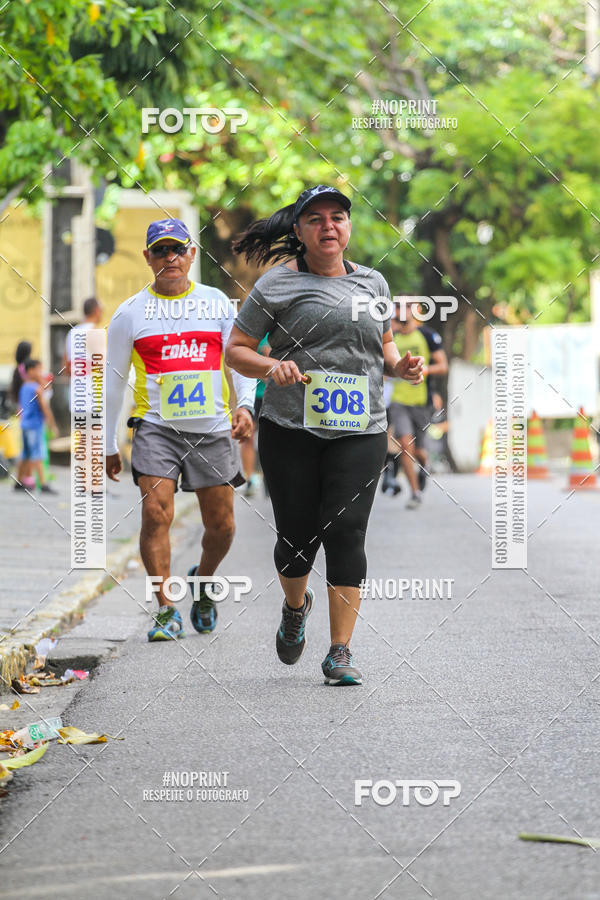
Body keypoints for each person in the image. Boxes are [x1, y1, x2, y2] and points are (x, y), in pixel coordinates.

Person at [226, 185, 424, 686]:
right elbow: (236, 350)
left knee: (346, 531)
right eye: (316, 219)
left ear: (349, 227)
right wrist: (273, 368)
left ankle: (340, 651)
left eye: (337, 217)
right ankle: (296, 607)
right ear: (299, 231)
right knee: (296, 540)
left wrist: (403, 366)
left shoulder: (374, 284)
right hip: (291, 429)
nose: (328, 226)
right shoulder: (275, 286)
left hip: (361, 429)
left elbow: (384, 348)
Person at [105, 218, 256, 642]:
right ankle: (166, 609)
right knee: (156, 514)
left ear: (192, 255)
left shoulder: (217, 304)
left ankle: (203, 583)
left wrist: (244, 404)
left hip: (211, 429)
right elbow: (114, 381)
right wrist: (107, 442)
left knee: (222, 527)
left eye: (178, 249)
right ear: (148, 258)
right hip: (155, 428)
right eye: (160, 250)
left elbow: (239, 358)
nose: (170, 257)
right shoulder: (129, 314)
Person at [385, 302, 448, 509]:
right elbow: (385, 367)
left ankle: (424, 466)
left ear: (415, 310)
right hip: (398, 401)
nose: (401, 311)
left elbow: (442, 365)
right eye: (398, 307)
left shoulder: (427, 335)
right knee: (405, 446)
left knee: (419, 450)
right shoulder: (391, 338)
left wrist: (420, 370)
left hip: (422, 401)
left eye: (407, 306)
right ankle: (415, 493)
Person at [16, 359, 58, 494]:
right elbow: (45, 408)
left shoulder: (24, 386)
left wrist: (40, 378)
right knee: (38, 455)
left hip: (24, 424)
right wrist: (52, 424)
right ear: (30, 371)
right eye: (38, 370)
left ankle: (19, 481)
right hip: (35, 425)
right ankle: (44, 484)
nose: (41, 373)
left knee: (26, 454)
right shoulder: (37, 389)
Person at [238, 335, 270, 497]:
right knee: (247, 435)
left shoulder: (279, 329)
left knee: (273, 437)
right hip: (253, 394)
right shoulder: (252, 330)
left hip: (273, 393)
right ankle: (249, 478)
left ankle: (272, 478)